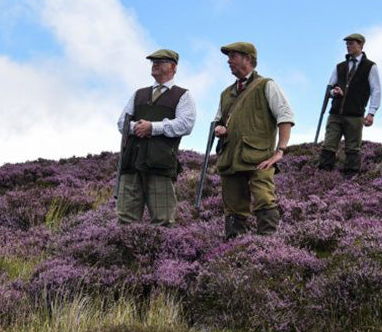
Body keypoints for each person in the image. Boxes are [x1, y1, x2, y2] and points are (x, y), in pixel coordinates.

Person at [213, 42, 295, 238]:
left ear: (248, 59)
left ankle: (268, 248)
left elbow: (285, 116)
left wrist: (280, 151)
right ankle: (236, 249)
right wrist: (218, 128)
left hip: (259, 158)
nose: (228, 61)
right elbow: (218, 120)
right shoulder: (225, 93)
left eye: (233, 56)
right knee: (233, 208)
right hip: (230, 159)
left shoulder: (266, 85)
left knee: (264, 199)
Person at [115, 49, 196, 226]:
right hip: (132, 164)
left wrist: (153, 128)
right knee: (125, 219)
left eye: (161, 62)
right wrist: (136, 127)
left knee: (163, 221)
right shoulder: (139, 94)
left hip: (161, 165)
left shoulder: (183, 95)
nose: (155, 65)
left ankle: (160, 254)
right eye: (153, 62)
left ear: (173, 67)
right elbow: (122, 122)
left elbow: (185, 125)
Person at [316, 34, 381, 177]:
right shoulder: (340, 67)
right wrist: (334, 92)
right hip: (335, 114)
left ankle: (350, 178)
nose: (348, 46)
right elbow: (329, 88)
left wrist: (371, 112)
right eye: (347, 44)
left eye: (351, 43)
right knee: (328, 146)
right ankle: (323, 176)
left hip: (355, 115)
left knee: (353, 148)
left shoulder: (370, 66)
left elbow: (376, 90)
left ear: (361, 45)